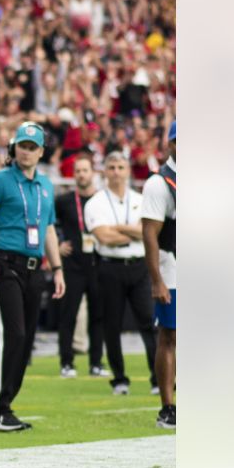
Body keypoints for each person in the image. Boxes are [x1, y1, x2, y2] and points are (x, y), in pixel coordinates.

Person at [0, 122, 65, 432]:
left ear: (40, 152)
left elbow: (49, 228)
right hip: (4, 264)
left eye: (32, 146)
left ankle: (3, 405)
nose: (26, 151)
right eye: (21, 145)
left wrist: (57, 268)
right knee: (12, 335)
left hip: (34, 267)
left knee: (25, 343)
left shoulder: (46, 186)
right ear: (14, 149)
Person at [84, 152, 158, 396]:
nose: (116, 172)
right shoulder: (96, 202)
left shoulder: (140, 199)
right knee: (111, 325)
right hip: (110, 267)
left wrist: (119, 228)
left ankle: (158, 378)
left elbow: (150, 232)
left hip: (139, 266)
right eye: (112, 167)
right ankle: (119, 378)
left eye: (120, 167)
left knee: (149, 323)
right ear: (105, 171)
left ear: (128, 171)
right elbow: (103, 236)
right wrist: (135, 232)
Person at [52, 152, 108, 378]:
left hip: (97, 263)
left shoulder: (102, 200)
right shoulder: (64, 200)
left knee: (98, 316)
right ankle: (67, 362)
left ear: (93, 173)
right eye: (78, 171)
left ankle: (96, 363)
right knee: (68, 315)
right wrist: (57, 244)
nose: (81, 175)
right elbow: (48, 223)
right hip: (72, 266)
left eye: (85, 170)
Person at [141, 121, 176, 429]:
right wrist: (157, 279)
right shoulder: (159, 184)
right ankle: (167, 406)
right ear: (171, 145)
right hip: (173, 267)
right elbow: (150, 234)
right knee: (171, 335)